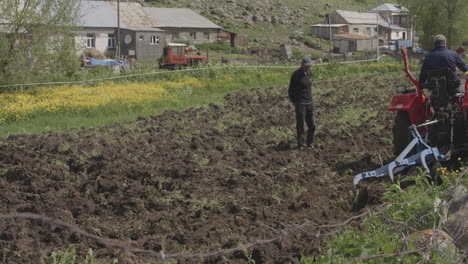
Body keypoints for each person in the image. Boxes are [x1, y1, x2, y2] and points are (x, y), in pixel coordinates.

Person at [288, 57, 316, 150]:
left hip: (310, 102)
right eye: (307, 66)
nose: (308, 67)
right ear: (302, 64)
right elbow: (291, 90)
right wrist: (295, 101)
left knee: (312, 125)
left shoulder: (309, 73)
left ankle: (310, 142)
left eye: (309, 66)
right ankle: (300, 144)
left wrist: (310, 100)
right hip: (300, 103)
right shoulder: (296, 74)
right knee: (300, 125)